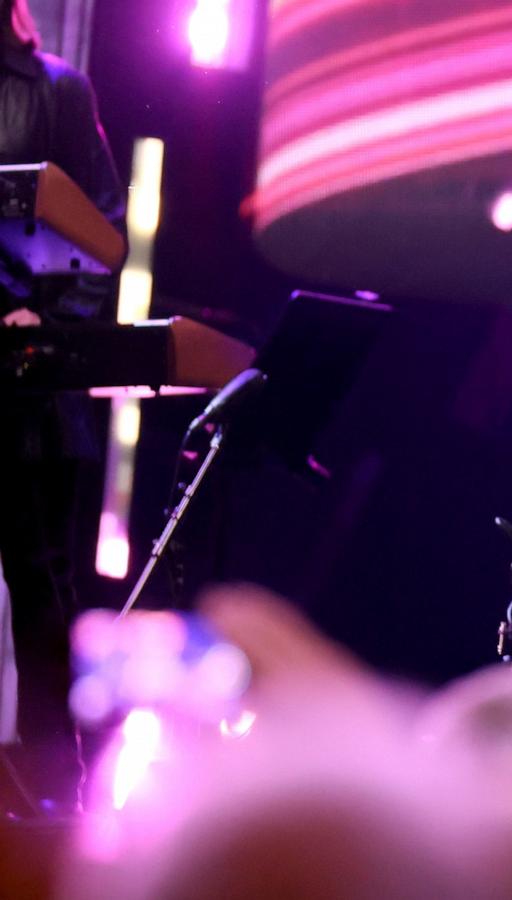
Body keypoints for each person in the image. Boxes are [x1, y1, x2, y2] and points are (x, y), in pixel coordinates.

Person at [0, 0, 123, 816]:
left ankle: (55, 802)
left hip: (24, 386)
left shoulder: (56, 91)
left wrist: (46, 317)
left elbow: (102, 232)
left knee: (42, 592)